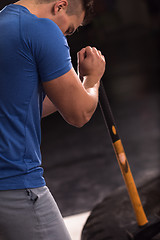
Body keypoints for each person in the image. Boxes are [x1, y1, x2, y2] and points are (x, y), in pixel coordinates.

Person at [0, 0, 106, 239]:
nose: (63, 37)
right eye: (67, 30)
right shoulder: (41, 29)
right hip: (14, 183)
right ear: (60, 6)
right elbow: (79, 113)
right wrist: (91, 78)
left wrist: (73, 86)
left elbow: (21, 106)